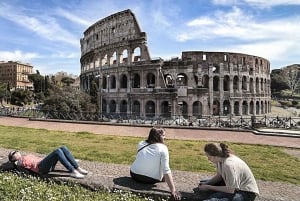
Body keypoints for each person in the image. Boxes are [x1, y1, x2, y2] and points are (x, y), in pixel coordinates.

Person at [130, 127, 181, 200]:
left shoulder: (141, 143)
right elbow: (166, 170)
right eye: (163, 135)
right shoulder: (163, 148)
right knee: (164, 174)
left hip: (134, 174)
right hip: (151, 179)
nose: (165, 137)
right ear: (158, 136)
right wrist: (173, 190)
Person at [8, 146, 88, 179]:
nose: (16, 152)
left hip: (45, 163)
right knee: (57, 151)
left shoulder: (24, 156)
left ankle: (77, 168)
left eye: (16, 151)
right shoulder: (18, 162)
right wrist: (12, 162)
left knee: (62, 147)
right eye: (14, 153)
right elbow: (12, 165)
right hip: (41, 167)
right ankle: (73, 171)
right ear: (13, 158)